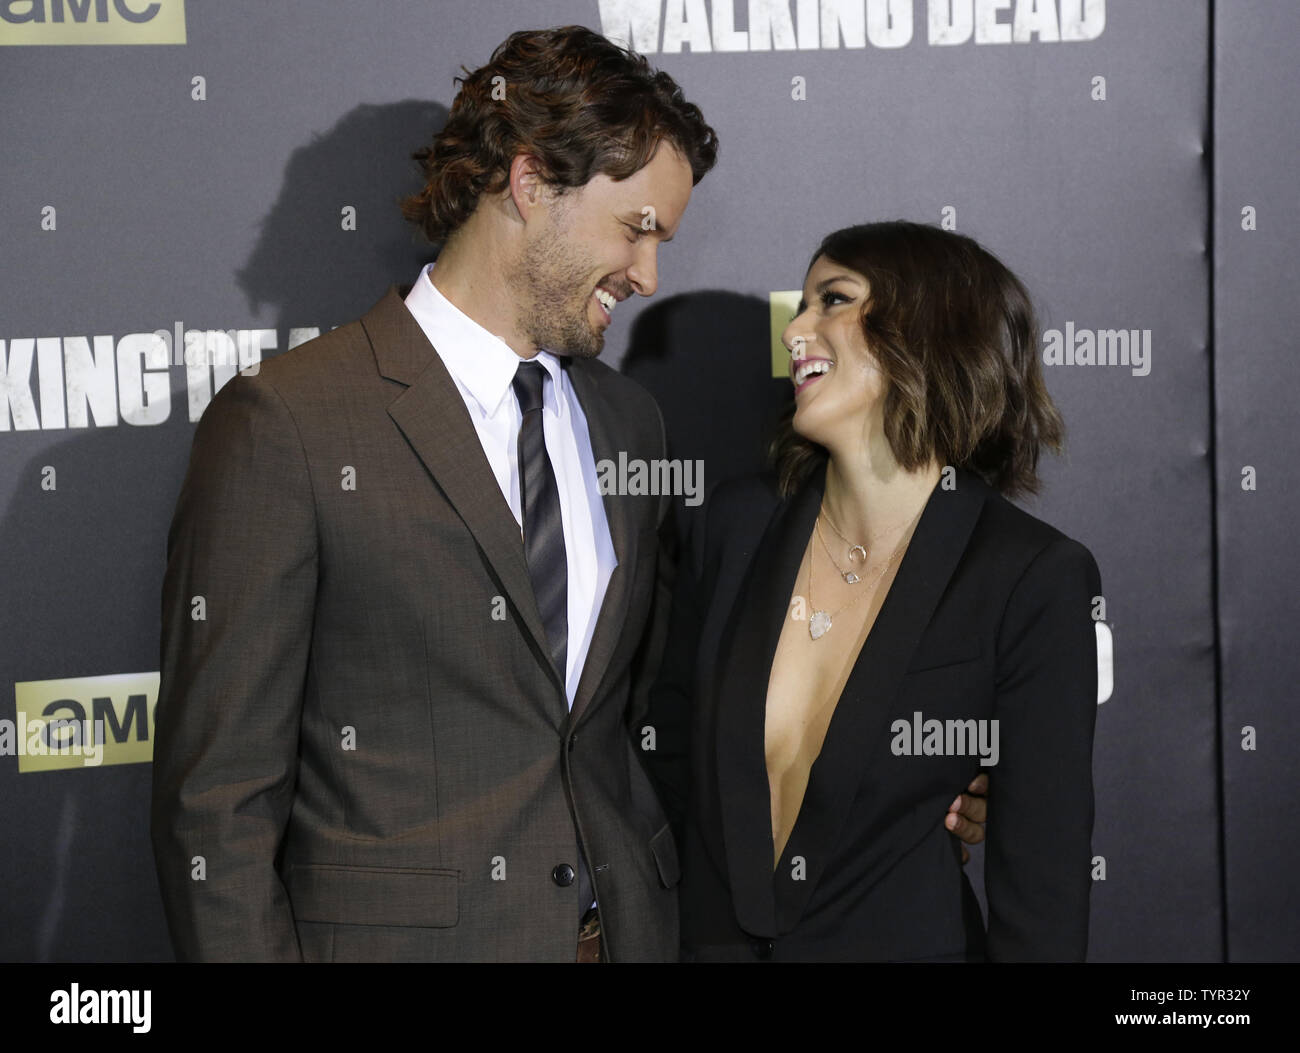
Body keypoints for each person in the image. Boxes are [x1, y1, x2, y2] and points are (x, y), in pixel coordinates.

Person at [150, 27, 987, 963]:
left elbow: (673, 717)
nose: (649, 275)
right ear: (530, 179)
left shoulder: (628, 422)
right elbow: (216, 805)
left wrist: (919, 783)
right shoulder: (289, 422)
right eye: (637, 228)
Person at [646, 221, 1101, 962]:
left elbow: (1042, 893)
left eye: (833, 300)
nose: (796, 329)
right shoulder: (732, 526)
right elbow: (661, 767)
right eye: (803, 303)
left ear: (926, 329)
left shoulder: (1030, 576)